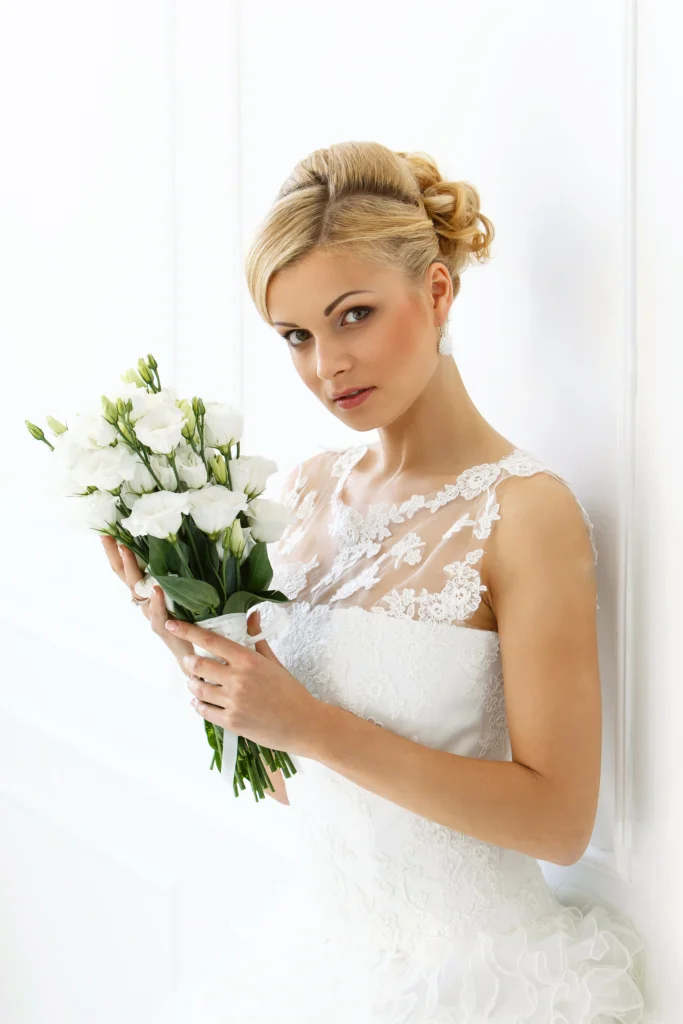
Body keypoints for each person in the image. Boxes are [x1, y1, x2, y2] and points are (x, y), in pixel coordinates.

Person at [104, 141, 648, 1021]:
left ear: (435, 292)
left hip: (481, 985)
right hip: (327, 968)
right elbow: (293, 784)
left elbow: (558, 823)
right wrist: (195, 651)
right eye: (296, 336)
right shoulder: (309, 491)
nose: (327, 366)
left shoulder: (523, 511)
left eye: (352, 315)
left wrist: (308, 724)